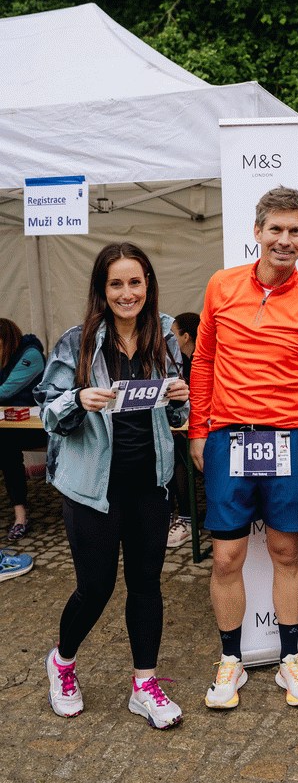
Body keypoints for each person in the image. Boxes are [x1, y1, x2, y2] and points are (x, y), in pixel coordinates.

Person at [190, 186, 298, 710]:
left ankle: (289, 659)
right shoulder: (221, 285)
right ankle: (230, 659)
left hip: (289, 441)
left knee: (285, 552)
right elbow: (203, 360)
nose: (284, 239)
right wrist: (198, 429)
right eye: (275, 229)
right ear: (257, 231)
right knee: (226, 556)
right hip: (229, 437)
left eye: (295, 231)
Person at [36, 242, 189, 728]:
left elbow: (177, 415)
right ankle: (62, 662)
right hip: (92, 489)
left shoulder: (163, 336)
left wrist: (180, 398)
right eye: (116, 284)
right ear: (102, 290)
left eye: (135, 282)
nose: (127, 293)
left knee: (146, 585)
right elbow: (47, 412)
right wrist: (78, 399)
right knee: (95, 587)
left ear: (148, 285)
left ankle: (144, 684)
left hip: (150, 484)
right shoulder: (77, 342)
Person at [0, 318, 46, 542]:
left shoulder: (30, 356)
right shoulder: (8, 358)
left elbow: (5, 391)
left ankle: (20, 517)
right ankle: (19, 512)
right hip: (11, 426)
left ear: (6, 341)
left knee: (5, 444)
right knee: (4, 441)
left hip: (41, 427)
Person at [167, 311, 200, 548]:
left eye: (173, 335)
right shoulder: (184, 362)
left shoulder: (202, 361)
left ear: (186, 337)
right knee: (169, 449)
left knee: (178, 456)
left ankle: (187, 519)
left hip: (206, 432)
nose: (169, 340)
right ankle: (169, 514)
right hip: (190, 427)